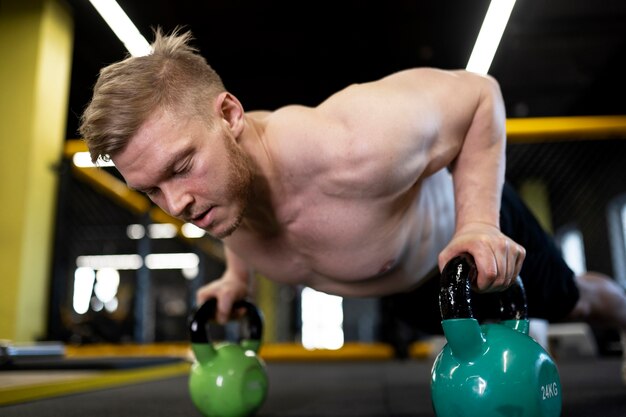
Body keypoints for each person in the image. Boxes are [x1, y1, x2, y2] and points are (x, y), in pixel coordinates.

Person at [79, 29, 626, 375]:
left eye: (179, 168)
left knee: (575, 303)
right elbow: (238, 212)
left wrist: (478, 221)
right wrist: (237, 281)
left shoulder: (357, 142)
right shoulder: (217, 190)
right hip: (402, 286)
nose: (174, 204)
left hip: (465, 238)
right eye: (151, 189)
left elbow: (481, 94)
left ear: (229, 116)